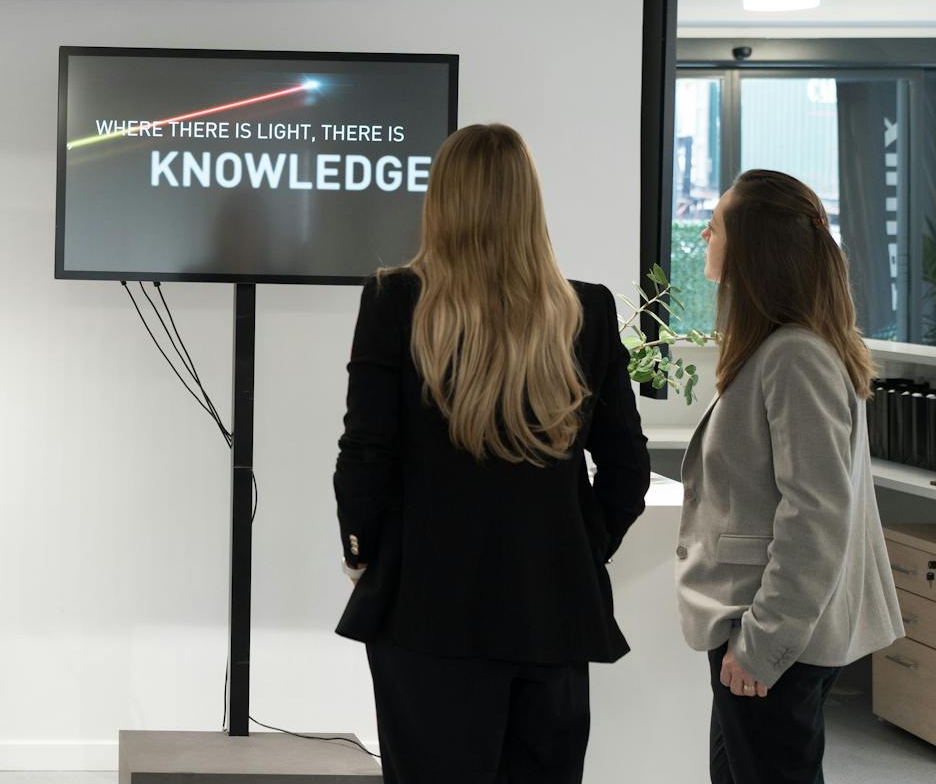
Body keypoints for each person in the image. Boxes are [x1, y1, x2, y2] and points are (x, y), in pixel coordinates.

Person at [333, 123, 651, 784]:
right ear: (528, 203)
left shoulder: (395, 300)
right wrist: (578, 547)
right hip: (551, 616)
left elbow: (365, 451)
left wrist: (365, 550)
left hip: (425, 613)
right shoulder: (585, 311)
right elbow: (627, 472)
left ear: (440, 201)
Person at [678, 169, 903, 784]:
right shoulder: (785, 347)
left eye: (716, 224)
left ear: (752, 247)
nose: (703, 234)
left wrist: (763, 642)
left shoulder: (795, 355)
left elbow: (817, 516)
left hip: (773, 635)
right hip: (764, 630)